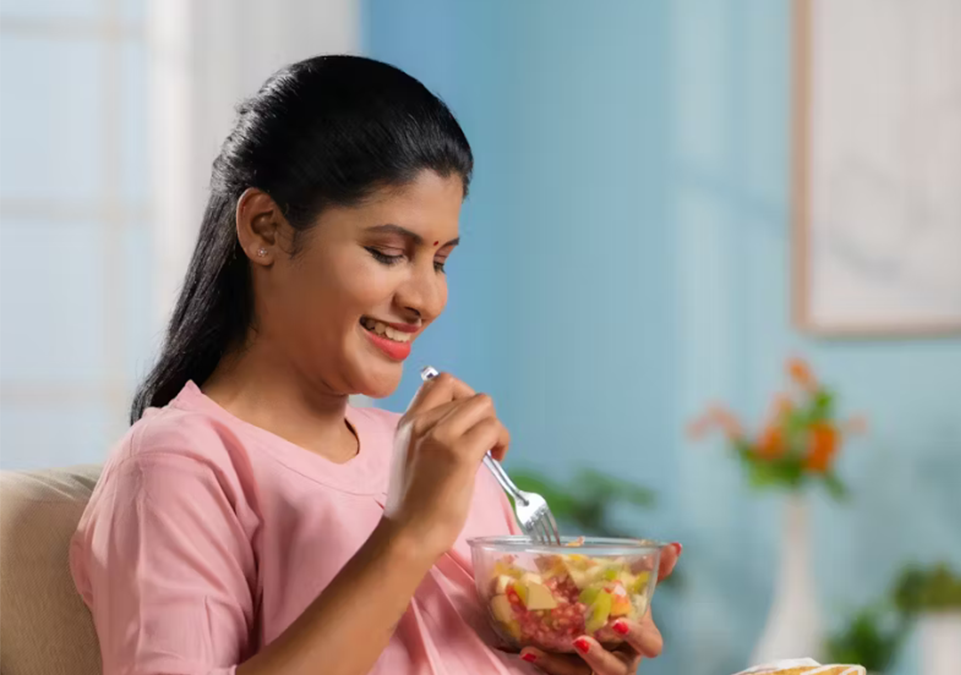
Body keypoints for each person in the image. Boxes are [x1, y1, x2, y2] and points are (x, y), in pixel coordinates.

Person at [69, 55, 679, 675]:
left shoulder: (430, 456)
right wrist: (407, 536)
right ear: (265, 229)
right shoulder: (179, 464)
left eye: (440, 261)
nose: (427, 299)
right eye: (389, 253)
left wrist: (571, 646)